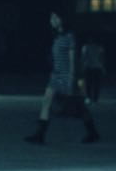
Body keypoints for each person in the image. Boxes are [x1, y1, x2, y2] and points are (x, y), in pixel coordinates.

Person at [25, 12, 100, 144]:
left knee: (79, 107)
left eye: (55, 17)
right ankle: (40, 134)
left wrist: (71, 79)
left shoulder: (70, 36)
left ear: (63, 19)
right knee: (46, 102)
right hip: (55, 76)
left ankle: (92, 132)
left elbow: (72, 60)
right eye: (51, 18)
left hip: (66, 76)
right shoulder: (57, 37)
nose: (52, 20)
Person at [81, 36, 105, 104]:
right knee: (96, 84)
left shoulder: (85, 47)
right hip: (97, 67)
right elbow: (102, 58)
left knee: (89, 84)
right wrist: (103, 67)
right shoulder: (99, 47)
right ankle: (95, 99)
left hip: (89, 67)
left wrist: (82, 66)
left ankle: (89, 98)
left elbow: (83, 58)